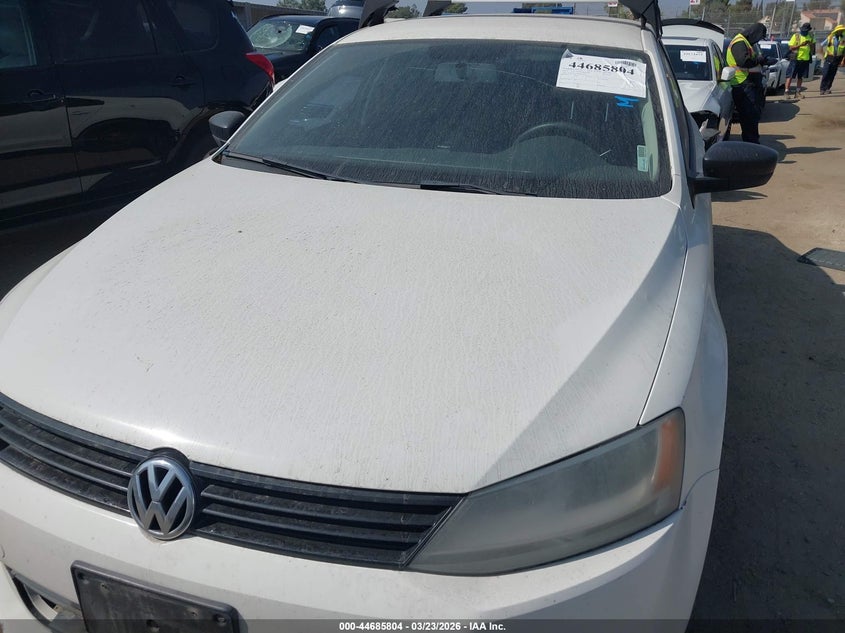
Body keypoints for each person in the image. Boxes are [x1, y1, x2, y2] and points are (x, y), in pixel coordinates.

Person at [726, 23, 770, 144]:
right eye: (759, 38)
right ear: (754, 33)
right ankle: (751, 144)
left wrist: (763, 61)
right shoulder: (739, 42)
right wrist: (759, 60)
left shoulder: (745, 42)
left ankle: (752, 142)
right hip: (742, 85)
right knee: (749, 117)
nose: (758, 41)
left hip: (748, 84)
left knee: (751, 117)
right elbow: (743, 61)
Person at [785, 22, 816, 98]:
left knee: (800, 77)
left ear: (808, 30)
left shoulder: (811, 37)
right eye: (803, 30)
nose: (804, 32)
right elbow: (791, 48)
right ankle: (786, 92)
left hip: (805, 60)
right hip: (795, 59)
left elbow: (813, 50)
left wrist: (811, 44)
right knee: (790, 76)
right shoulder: (796, 36)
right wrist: (801, 45)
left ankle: (797, 92)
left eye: (806, 31)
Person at [819, 24, 845, 94]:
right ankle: (822, 88)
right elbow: (821, 45)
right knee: (826, 73)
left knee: (832, 74)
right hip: (829, 58)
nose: (840, 32)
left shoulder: (843, 39)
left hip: (837, 59)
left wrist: (843, 60)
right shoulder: (830, 37)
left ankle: (827, 88)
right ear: (836, 31)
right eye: (839, 30)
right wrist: (823, 55)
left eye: (841, 30)